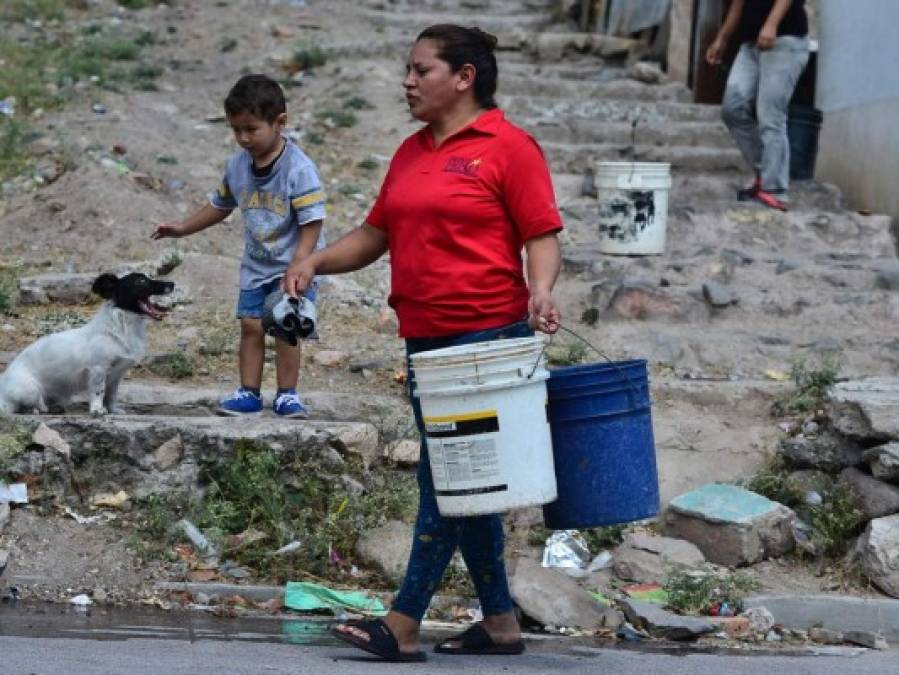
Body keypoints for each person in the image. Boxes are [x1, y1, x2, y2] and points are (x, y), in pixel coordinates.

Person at [283, 24, 562, 662]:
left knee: (449, 481)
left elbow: (541, 233)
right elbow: (375, 233)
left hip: (486, 341)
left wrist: (540, 290)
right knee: (472, 485)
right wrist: (315, 263)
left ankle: (404, 621)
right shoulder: (411, 151)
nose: (407, 82)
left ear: (464, 78)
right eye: (407, 70)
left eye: (421, 70)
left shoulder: (510, 148)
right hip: (426, 340)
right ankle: (499, 623)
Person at [152, 74, 325, 418]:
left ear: (280, 123)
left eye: (251, 129)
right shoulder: (237, 166)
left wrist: (302, 264)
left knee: (286, 329)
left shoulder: (298, 169)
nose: (243, 138)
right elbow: (221, 204)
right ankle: (248, 392)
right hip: (257, 265)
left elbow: (312, 221)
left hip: (293, 264)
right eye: (236, 130)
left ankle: (288, 395)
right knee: (250, 326)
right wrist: (184, 228)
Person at [706, 0, 810, 211]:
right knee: (732, 109)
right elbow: (738, 4)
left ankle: (775, 190)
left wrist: (771, 23)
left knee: (770, 117)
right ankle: (767, 173)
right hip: (751, 45)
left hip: (784, 39)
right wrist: (722, 39)